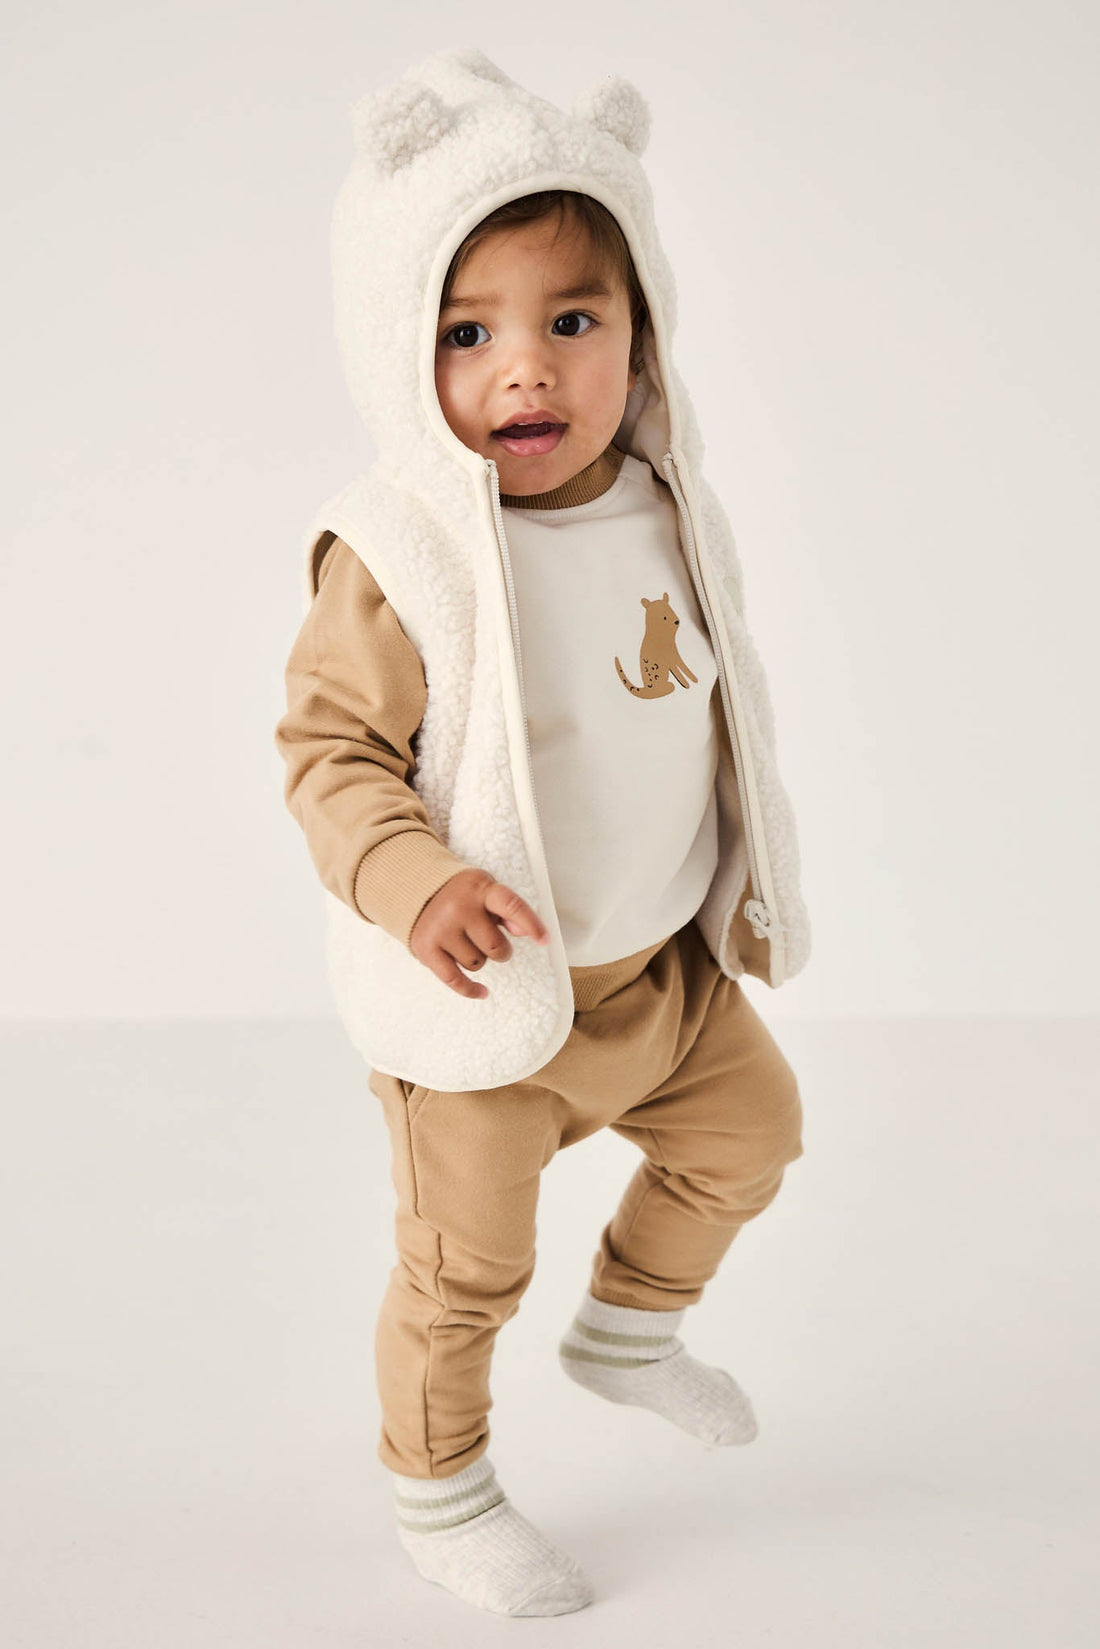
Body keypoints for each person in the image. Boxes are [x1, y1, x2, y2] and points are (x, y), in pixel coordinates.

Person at [274, 46, 812, 1619]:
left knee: (754, 1135)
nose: (528, 371)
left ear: (643, 333)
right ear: (400, 346)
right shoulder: (405, 555)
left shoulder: (666, 504)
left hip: (657, 975)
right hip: (485, 1008)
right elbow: (329, 751)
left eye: (574, 321)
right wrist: (413, 879)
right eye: (468, 332)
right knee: (464, 1274)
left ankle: (632, 1329)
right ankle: (443, 1493)